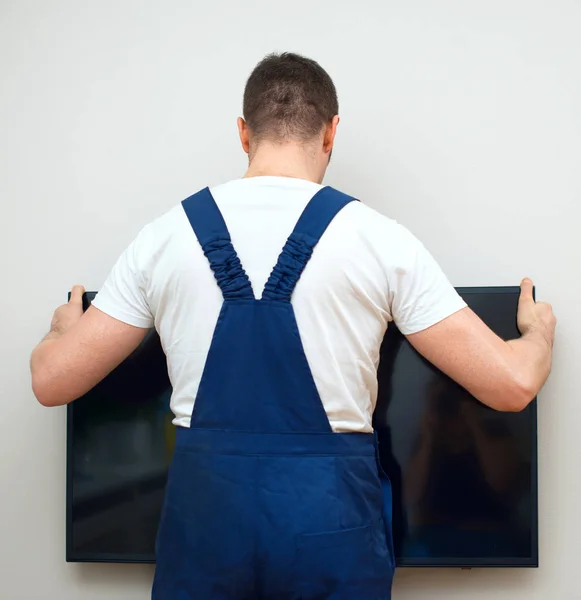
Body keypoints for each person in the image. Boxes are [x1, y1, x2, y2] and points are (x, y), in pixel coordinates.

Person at [30, 52, 556, 599]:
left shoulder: (164, 238)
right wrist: (537, 331)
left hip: (205, 528)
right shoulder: (379, 240)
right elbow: (512, 384)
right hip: (331, 530)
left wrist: (65, 330)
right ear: (331, 134)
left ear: (243, 132)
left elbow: (51, 381)